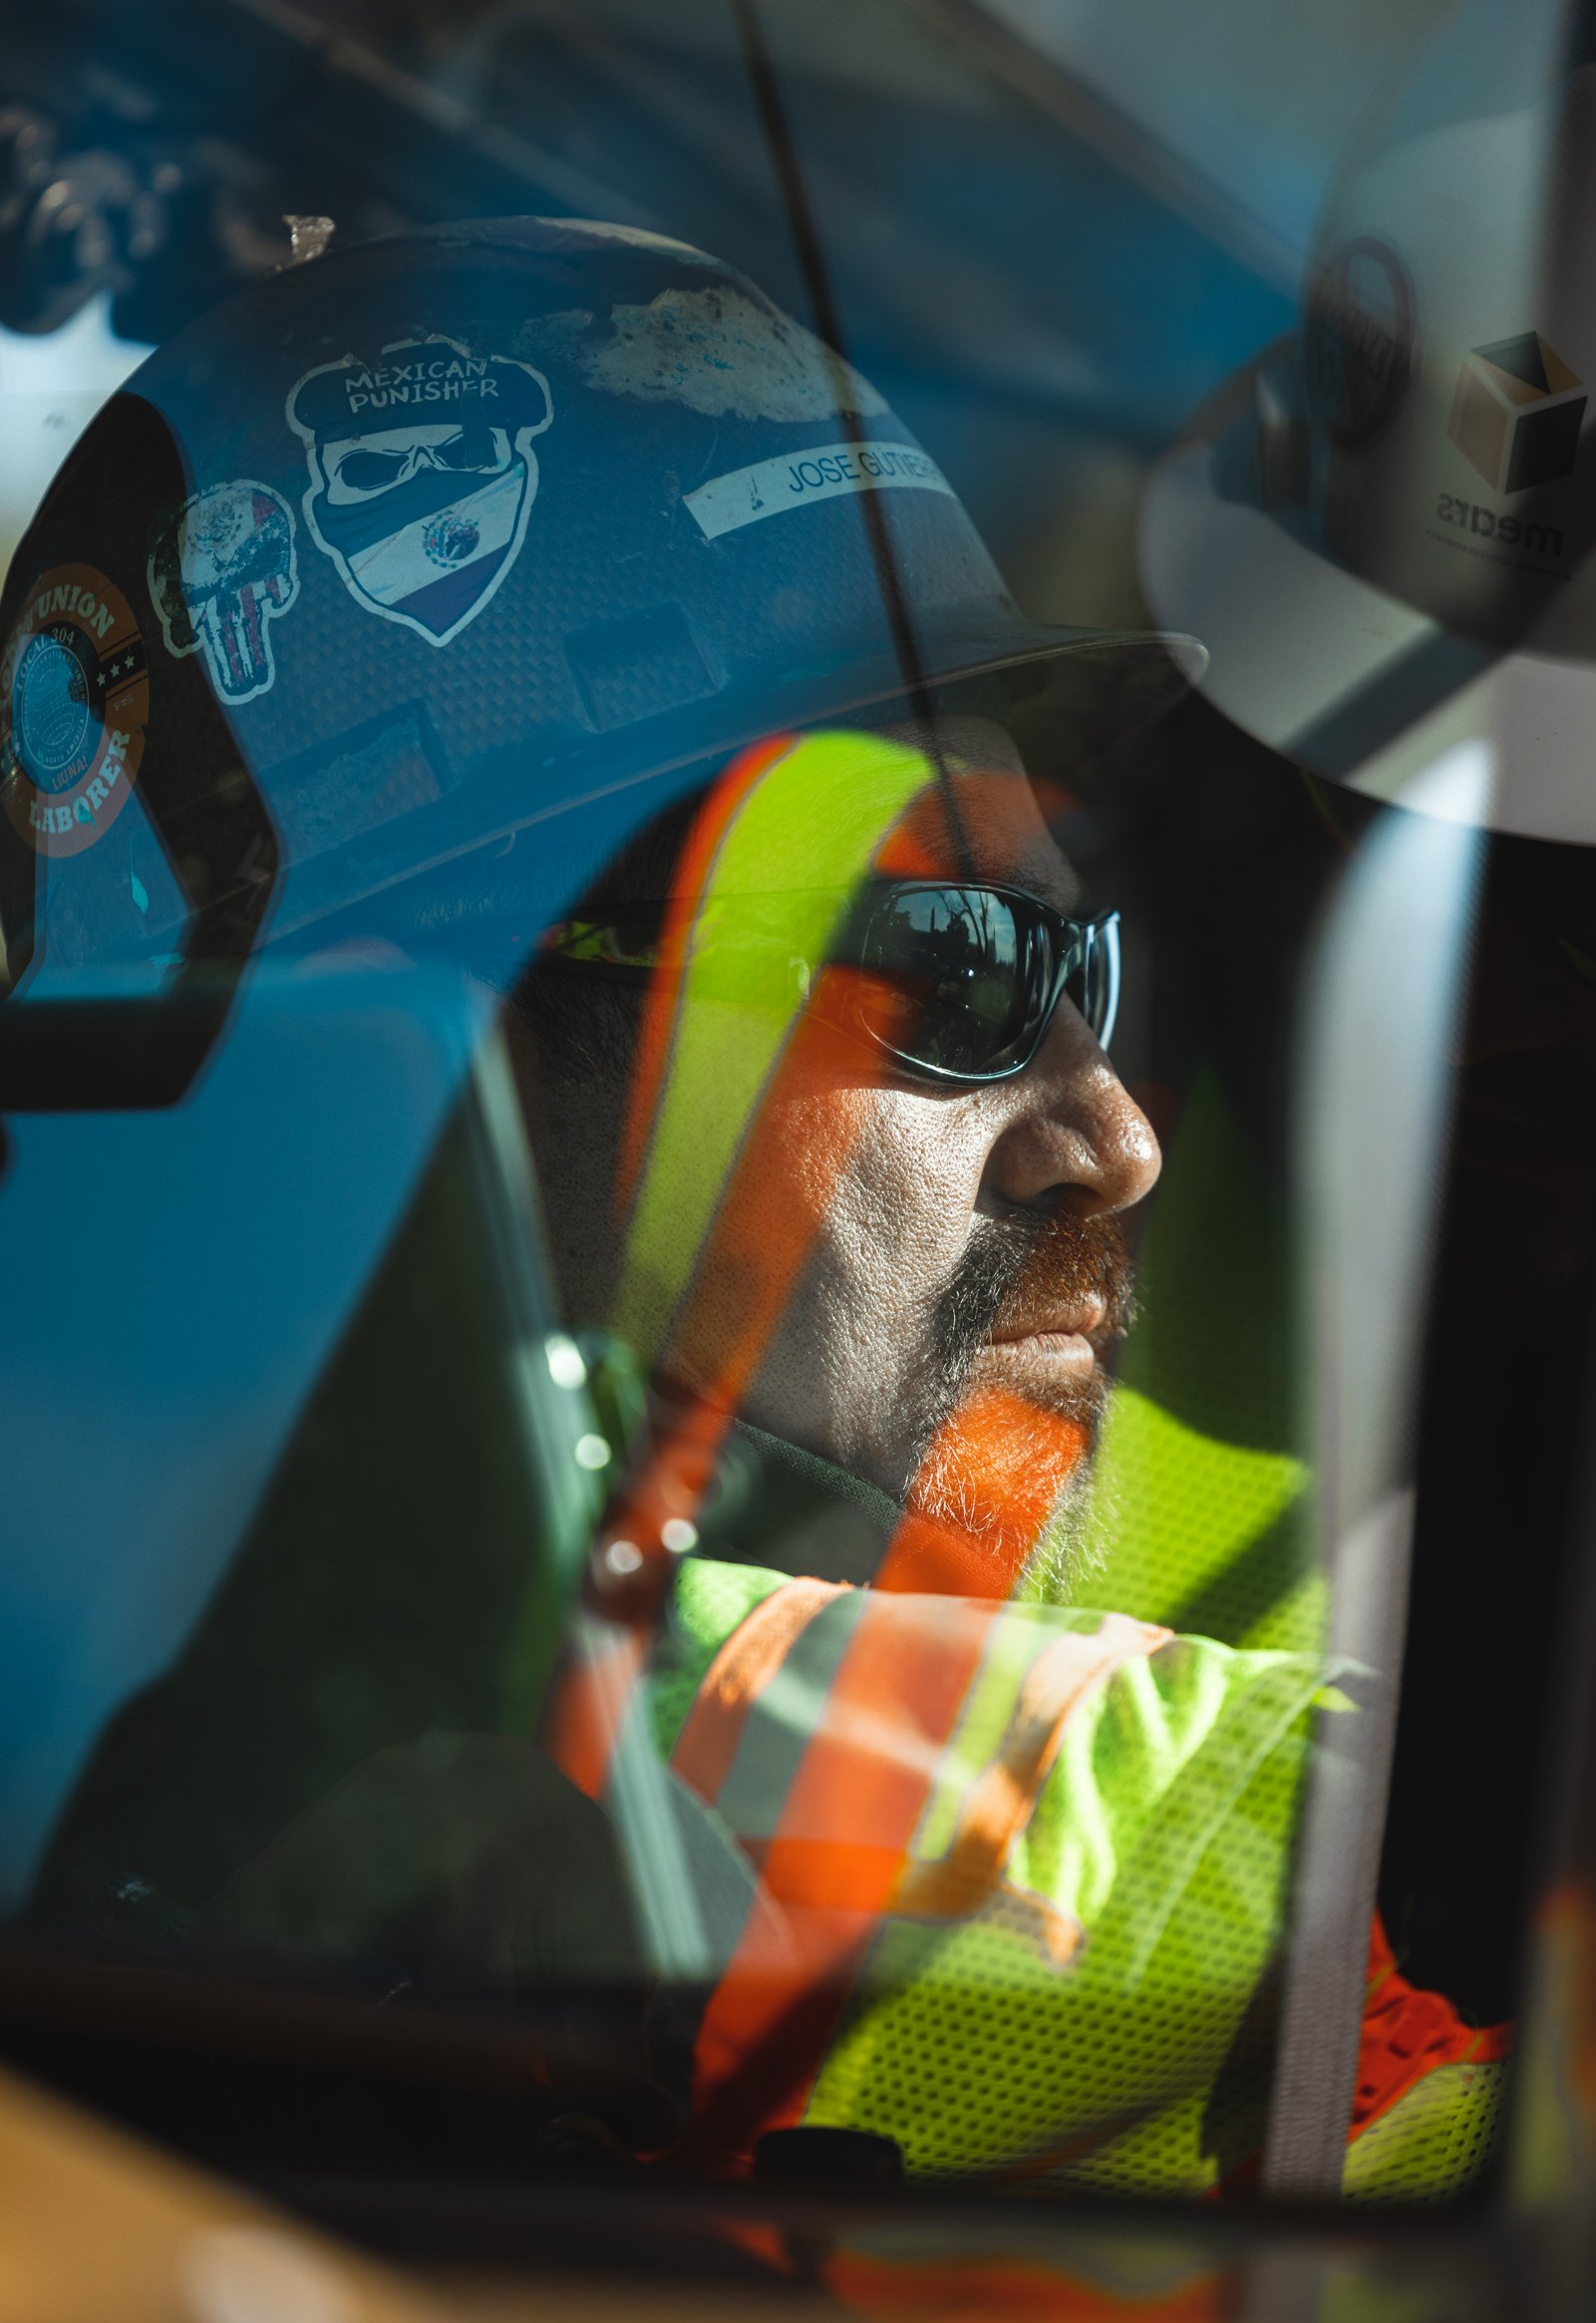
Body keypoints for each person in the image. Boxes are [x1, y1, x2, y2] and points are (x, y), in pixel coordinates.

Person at [4, 214, 1496, 2201]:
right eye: (963, 963)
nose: (1113, 1131)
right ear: (444, 1044)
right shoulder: (1125, 1874)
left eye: (1084, 966)